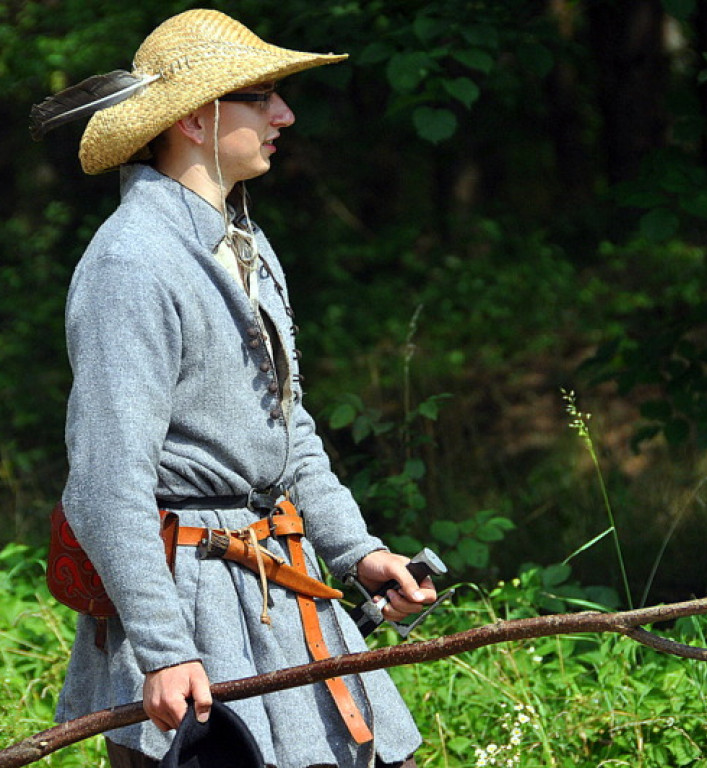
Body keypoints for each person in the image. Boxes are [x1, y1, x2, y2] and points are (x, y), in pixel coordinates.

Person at [41, 9, 437, 768]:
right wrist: (162, 650)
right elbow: (104, 480)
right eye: (261, 97)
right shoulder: (132, 262)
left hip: (282, 590)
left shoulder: (244, 245)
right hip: (190, 618)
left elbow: (288, 431)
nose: (285, 115)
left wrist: (356, 552)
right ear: (195, 117)